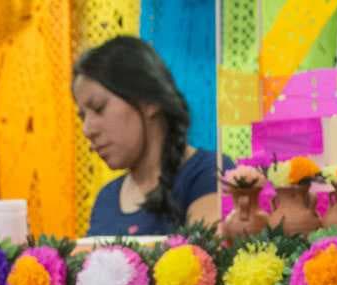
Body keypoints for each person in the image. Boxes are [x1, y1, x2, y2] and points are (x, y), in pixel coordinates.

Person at [75, 36, 230, 236]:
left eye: (99, 108)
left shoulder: (208, 173)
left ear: (149, 101)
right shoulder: (106, 199)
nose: (87, 130)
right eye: (82, 117)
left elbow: (203, 260)